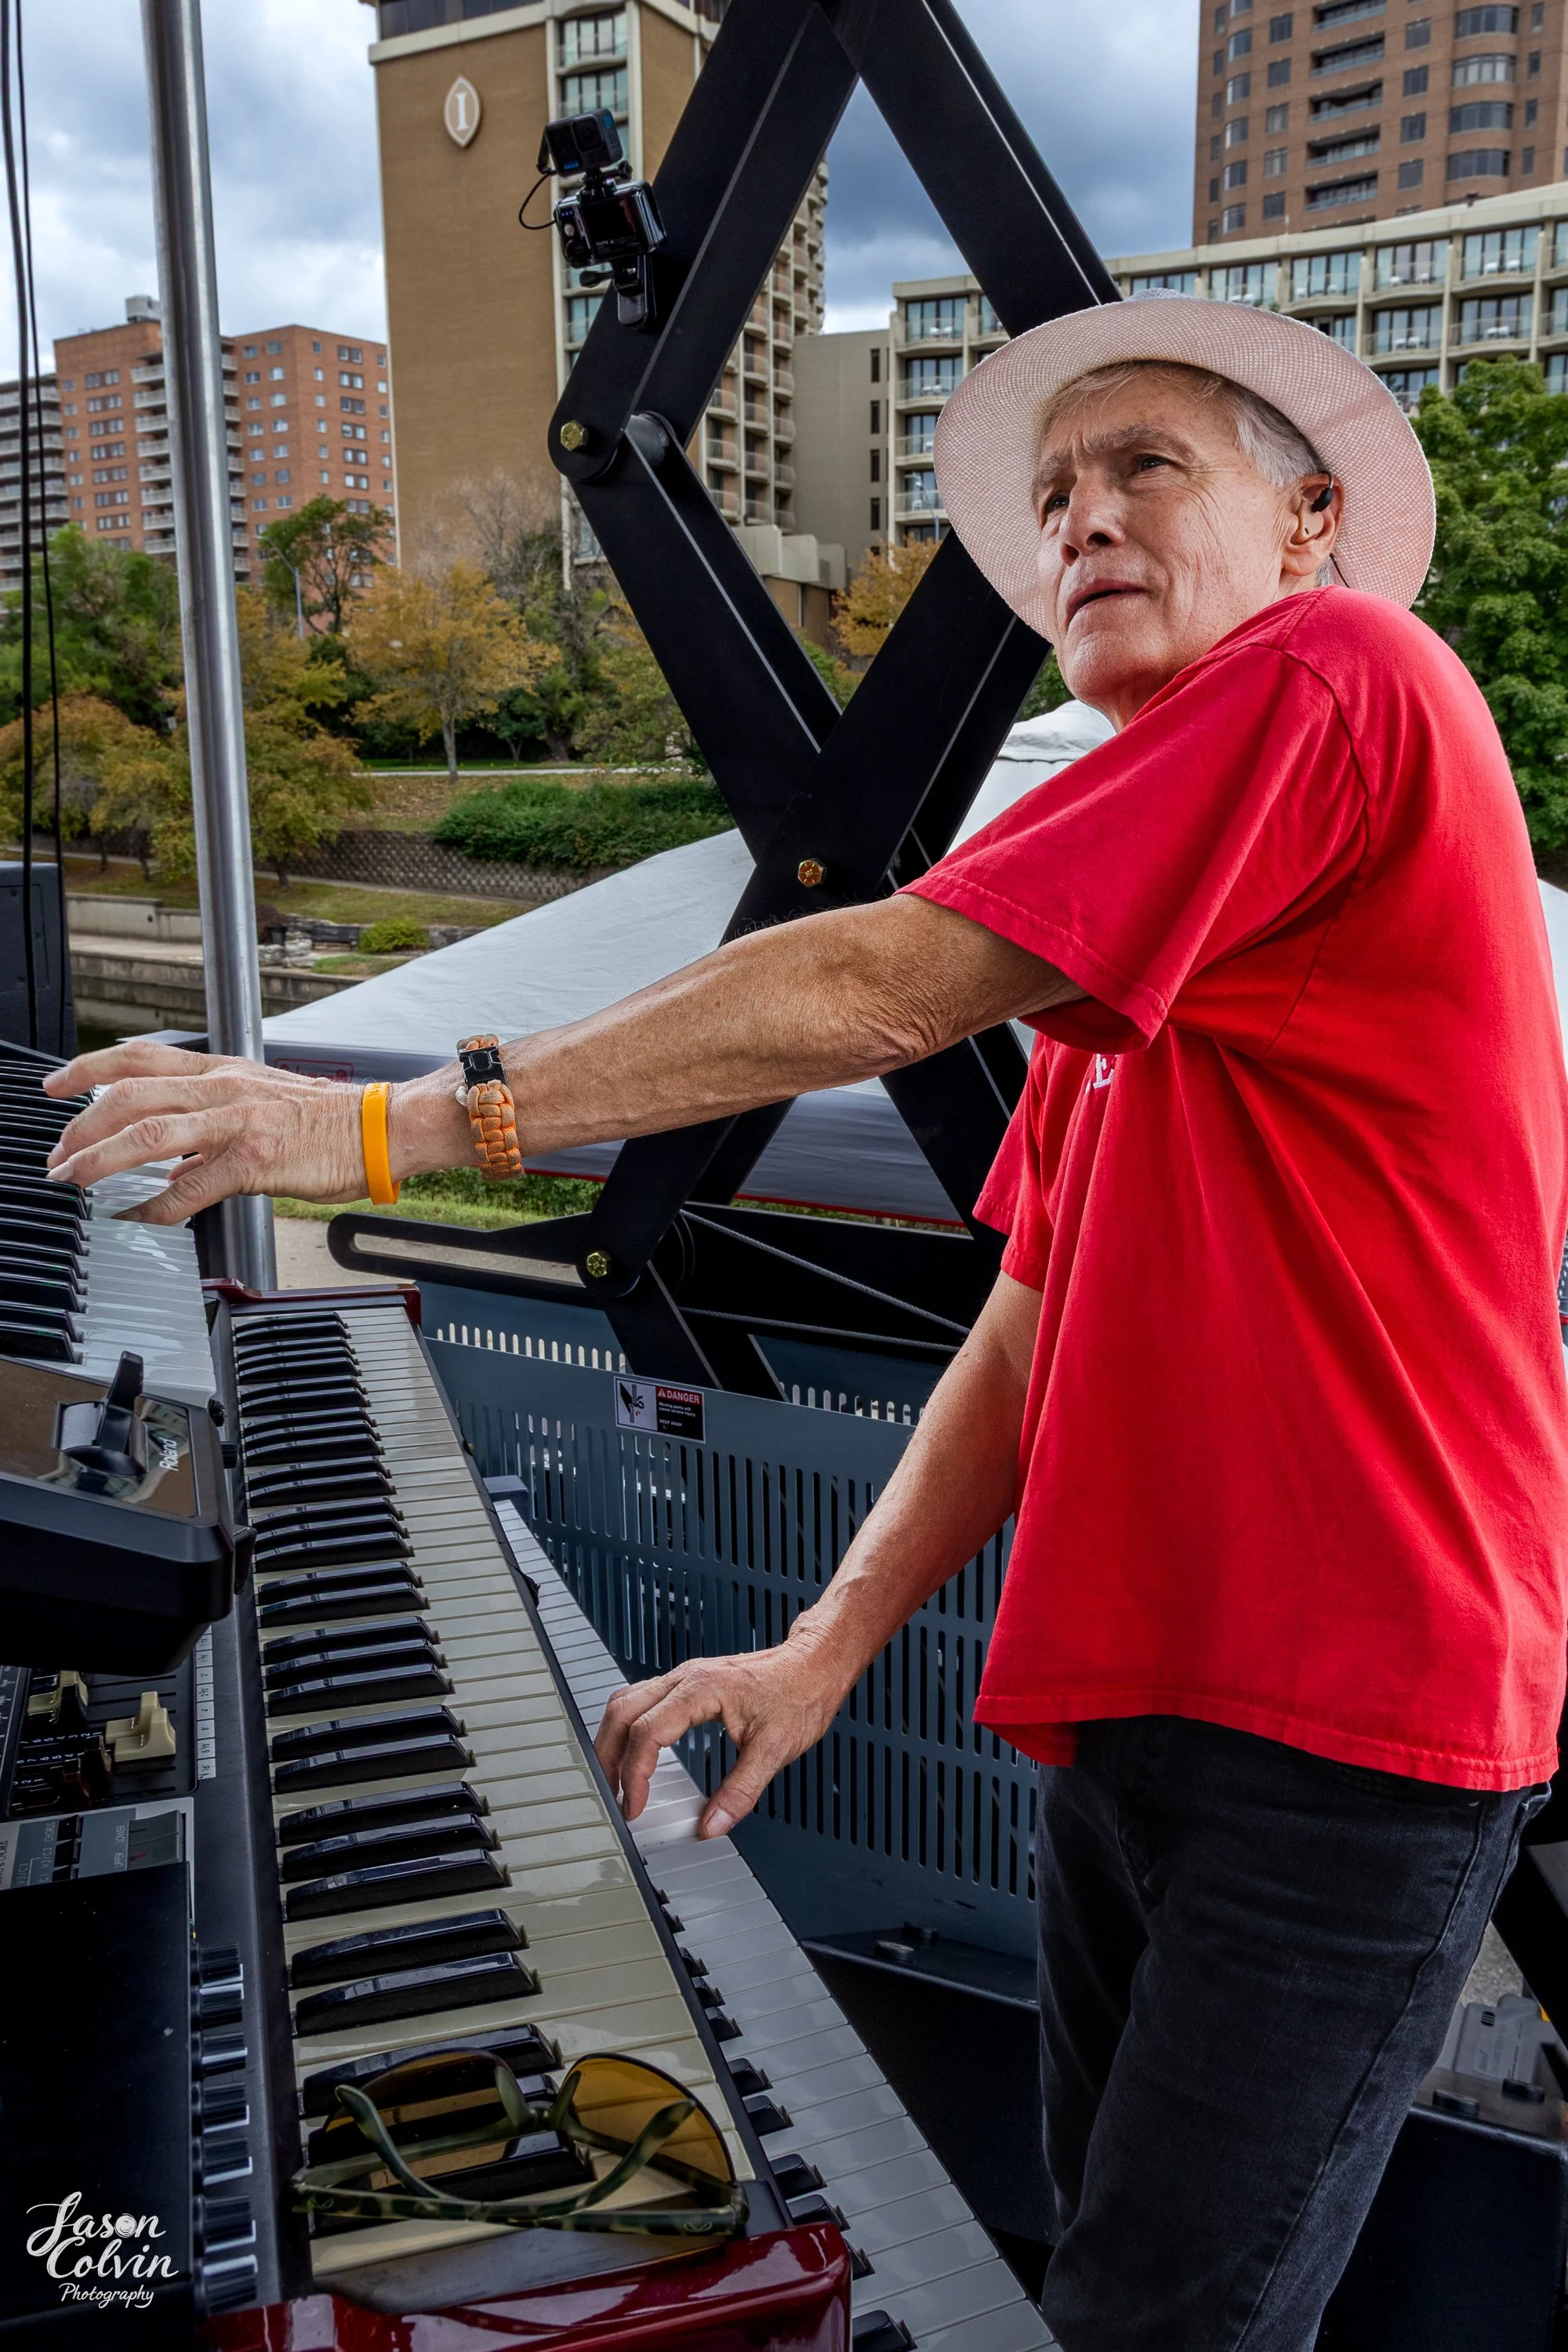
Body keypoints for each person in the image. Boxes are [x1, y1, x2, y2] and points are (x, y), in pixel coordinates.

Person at [40, 298, 1568, 2350]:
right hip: (1166, 1706)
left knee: (1159, 2321)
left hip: (1356, 1715)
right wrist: (824, 1650)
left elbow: (879, 982)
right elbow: (1032, 1326)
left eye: (1147, 469)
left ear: (1305, 526)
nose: (1083, 519)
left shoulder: (1341, 672)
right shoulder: (1163, 912)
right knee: (1096, 2266)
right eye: (1053, 497)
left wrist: (370, 1122)